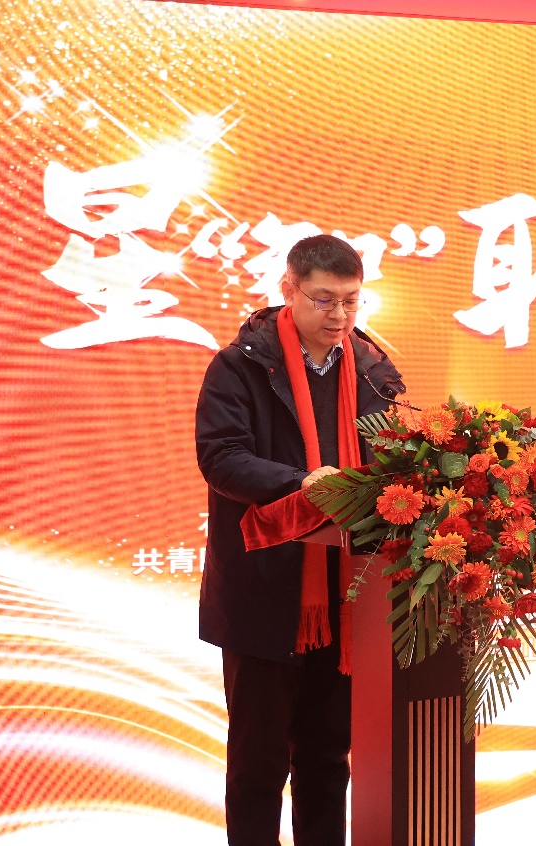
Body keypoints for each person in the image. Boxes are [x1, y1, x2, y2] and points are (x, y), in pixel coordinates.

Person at [196, 234, 404, 846]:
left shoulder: (372, 369)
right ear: (289, 289)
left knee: (327, 760)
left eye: (351, 301)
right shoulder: (240, 366)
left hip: (346, 592)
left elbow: (393, 457)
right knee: (258, 766)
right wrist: (302, 483)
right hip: (265, 590)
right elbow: (221, 458)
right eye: (324, 300)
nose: (339, 315)